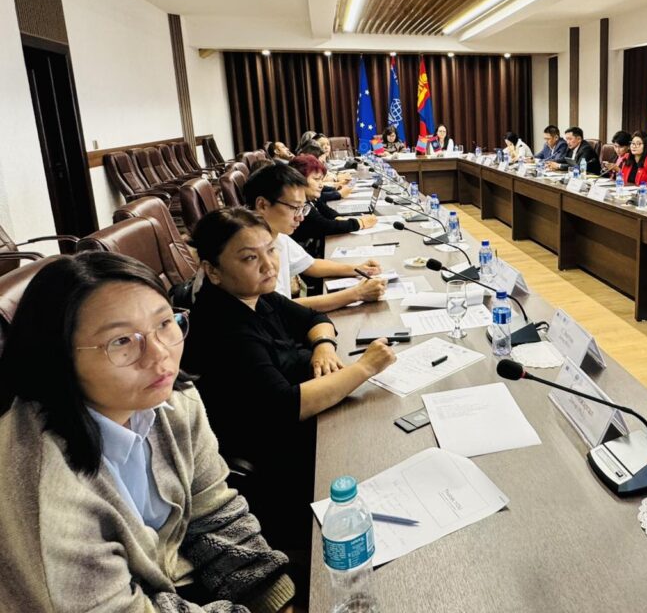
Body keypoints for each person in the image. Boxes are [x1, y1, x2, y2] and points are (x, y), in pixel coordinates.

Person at [0, 252, 297, 612]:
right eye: (121, 341)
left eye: (165, 323)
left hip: (175, 587)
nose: (160, 355)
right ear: (57, 356)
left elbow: (214, 512)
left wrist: (275, 598)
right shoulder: (42, 484)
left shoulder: (172, 398)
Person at [182, 208, 397, 574]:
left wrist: (324, 346)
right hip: (281, 458)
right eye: (250, 258)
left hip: (313, 421)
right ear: (212, 270)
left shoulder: (256, 295)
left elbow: (313, 318)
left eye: (271, 250)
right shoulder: (224, 325)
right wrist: (364, 368)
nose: (269, 265)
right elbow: (284, 406)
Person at [243, 162, 385, 310]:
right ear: (262, 205)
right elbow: (279, 309)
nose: (300, 217)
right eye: (294, 208)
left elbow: (310, 265)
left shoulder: (277, 235)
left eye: (302, 208)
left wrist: (357, 268)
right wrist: (357, 293)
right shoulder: (249, 254)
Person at [290, 154, 377, 258]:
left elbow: (326, 210)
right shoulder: (300, 206)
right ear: (299, 180)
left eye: (321, 180)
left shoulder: (310, 198)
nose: (321, 185)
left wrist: (338, 217)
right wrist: (360, 223)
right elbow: (325, 226)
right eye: (316, 179)